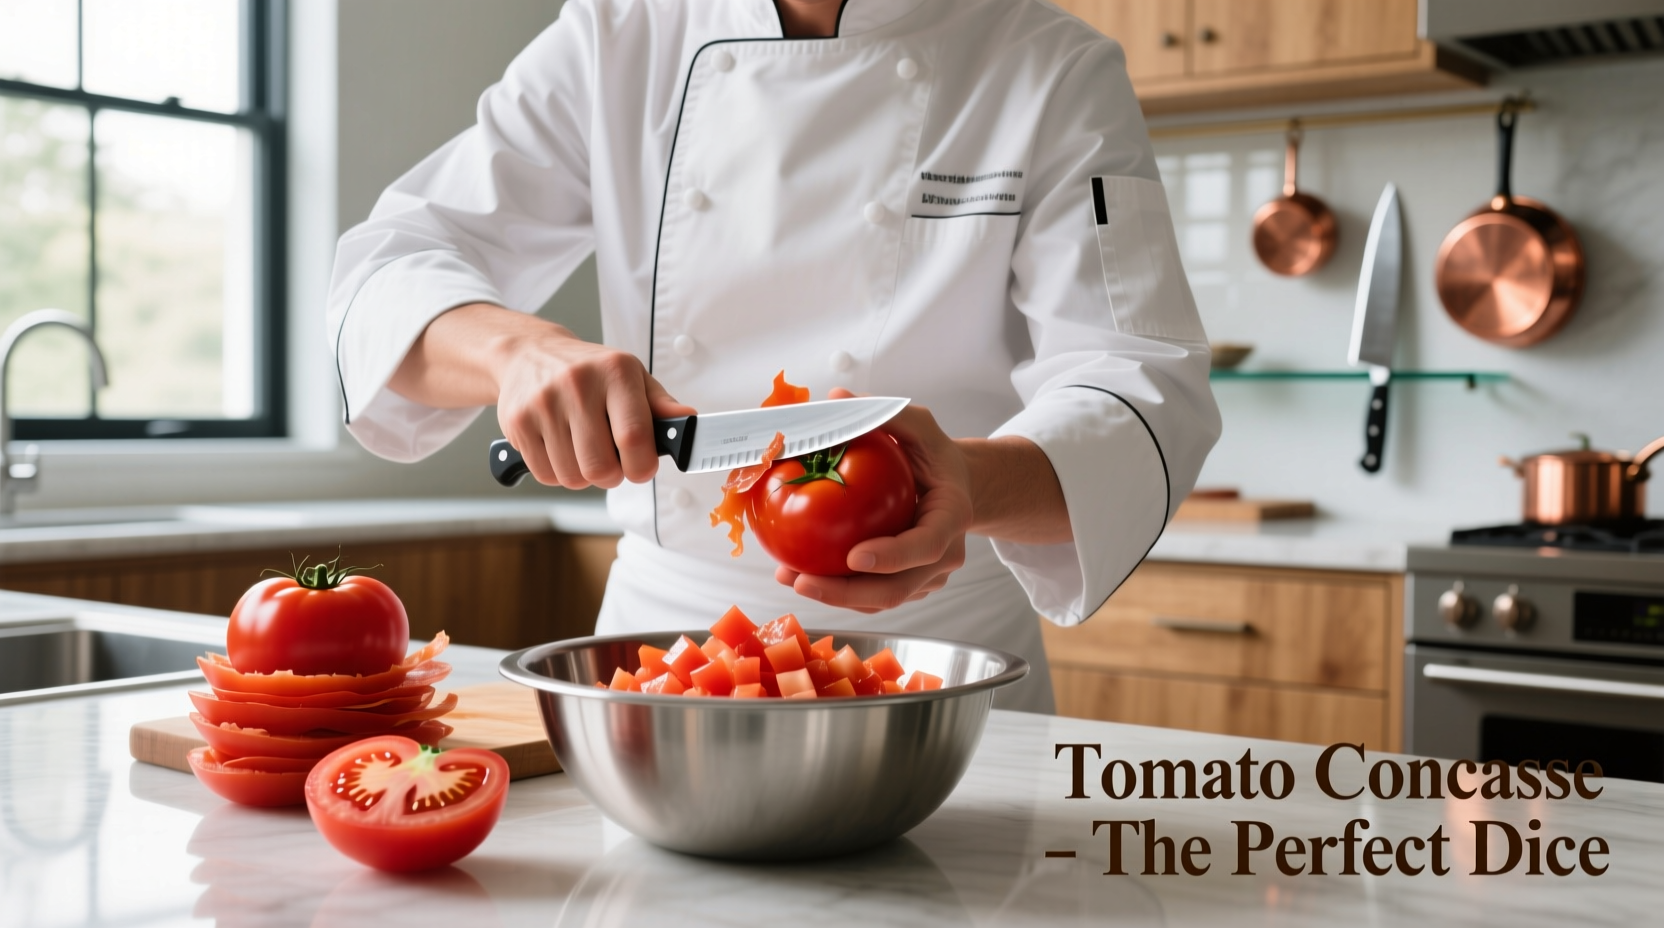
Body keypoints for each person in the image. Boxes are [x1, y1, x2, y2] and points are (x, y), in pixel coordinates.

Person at [327, 0, 1220, 712]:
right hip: (662, 663)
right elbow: (388, 268)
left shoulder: (1050, 67)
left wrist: (964, 486)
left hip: (936, 665)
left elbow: (1143, 383)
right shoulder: (616, 33)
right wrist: (519, 351)